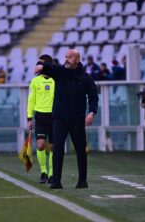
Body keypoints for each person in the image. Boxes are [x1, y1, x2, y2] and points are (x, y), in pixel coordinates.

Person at [35, 49, 99, 189]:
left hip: (77, 118)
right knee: (57, 149)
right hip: (59, 118)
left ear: (77, 59)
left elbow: (93, 96)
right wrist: (42, 67)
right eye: (66, 57)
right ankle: (56, 181)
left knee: (80, 149)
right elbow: (51, 68)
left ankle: (82, 181)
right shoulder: (60, 72)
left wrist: (92, 112)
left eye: (70, 57)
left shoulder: (85, 78)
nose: (67, 59)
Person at [27, 54, 55, 184]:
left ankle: (51, 174)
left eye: (41, 63)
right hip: (40, 116)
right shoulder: (35, 81)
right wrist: (29, 118)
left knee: (54, 147)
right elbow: (31, 101)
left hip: (55, 116)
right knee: (41, 145)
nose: (38, 65)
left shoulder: (57, 80)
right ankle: (43, 171)